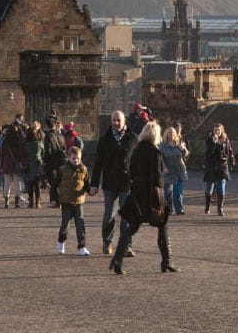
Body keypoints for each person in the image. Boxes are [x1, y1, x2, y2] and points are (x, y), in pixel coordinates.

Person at [111, 122, 179, 275]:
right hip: (151, 194)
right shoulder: (155, 152)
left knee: (132, 228)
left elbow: (131, 172)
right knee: (163, 225)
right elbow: (157, 177)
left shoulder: (137, 150)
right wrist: (159, 199)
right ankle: (166, 261)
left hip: (137, 192)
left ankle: (117, 259)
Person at [89, 110, 137, 255]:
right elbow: (98, 163)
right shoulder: (105, 140)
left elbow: (139, 161)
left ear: (124, 121)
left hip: (127, 183)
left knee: (127, 215)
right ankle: (107, 242)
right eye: (113, 120)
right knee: (109, 215)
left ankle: (126, 246)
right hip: (110, 182)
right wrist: (94, 184)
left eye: (118, 120)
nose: (116, 123)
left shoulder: (133, 138)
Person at [53, 146, 90, 256]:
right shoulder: (62, 169)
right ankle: (61, 241)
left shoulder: (84, 169)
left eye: (78, 158)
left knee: (80, 225)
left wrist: (91, 190)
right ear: (68, 158)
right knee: (65, 225)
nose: (76, 161)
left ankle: (82, 246)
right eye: (73, 158)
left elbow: (87, 184)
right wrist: (54, 199)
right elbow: (54, 185)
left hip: (79, 202)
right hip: (66, 202)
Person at [203, 123, 235, 216]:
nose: (217, 131)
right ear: (213, 131)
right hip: (211, 166)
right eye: (215, 130)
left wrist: (232, 160)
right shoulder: (209, 139)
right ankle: (207, 205)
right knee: (209, 189)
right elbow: (209, 153)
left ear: (222, 130)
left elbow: (230, 150)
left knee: (221, 188)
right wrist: (214, 143)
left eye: (219, 130)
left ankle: (220, 209)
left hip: (222, 167)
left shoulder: (225, 139)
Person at [160, 127, 189, 215]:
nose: (171, 134)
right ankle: (168, 209)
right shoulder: (162, 146)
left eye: (173, 132)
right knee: (168, 192)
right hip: (168, 171)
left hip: (179, 170)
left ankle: (179, 209)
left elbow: (186, 154)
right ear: (166, 134)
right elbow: (161, 159)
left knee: (178, 191)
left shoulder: (178, 143)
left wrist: (183, 149)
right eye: (169, 132)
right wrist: (164, 168)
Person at [0, 124, 25, 207]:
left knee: (7, 184)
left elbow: (2, 154)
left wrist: (1, 165)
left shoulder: (5, 141)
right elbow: (21, 154)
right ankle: (16, 202)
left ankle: (6, 201)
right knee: (17, 183)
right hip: (16, 164)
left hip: (6, 164)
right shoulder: (18, 141)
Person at [43, 118, 66, 207]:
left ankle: (55, 201)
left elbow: (48, 150)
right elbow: (64, 148)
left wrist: (45, 161)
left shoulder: (48, 136)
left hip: (51, 162)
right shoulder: (60, 135)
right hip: (60, 162)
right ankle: (59, 200)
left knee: (53, 183)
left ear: (47, 126)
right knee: (59, 182)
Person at [22, 122, 44, 208]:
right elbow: (43, 153)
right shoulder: (39, 143)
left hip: (29, 164)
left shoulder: (25, 144)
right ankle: (38, 202)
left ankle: (31, 202)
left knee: (30, 184)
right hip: (38, 163)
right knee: (37, 185)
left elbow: (23, 155)